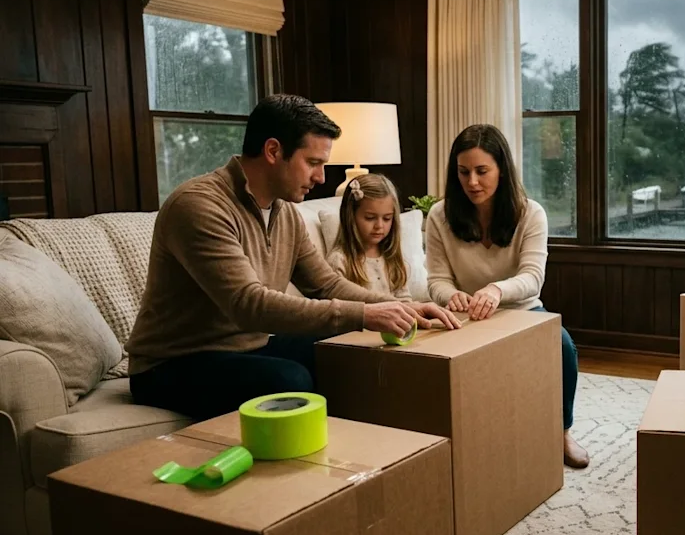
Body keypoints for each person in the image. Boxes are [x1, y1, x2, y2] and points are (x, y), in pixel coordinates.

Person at [126, 94, 460, 421]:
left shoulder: (284, 212)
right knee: (290, 381)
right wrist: (364, 314)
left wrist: (398, 307)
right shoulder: (199, 206)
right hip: (171, 364)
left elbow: (325, 284)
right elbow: (248, 304)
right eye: (313, 163)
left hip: (247, 347)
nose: (321, 177)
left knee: (349, 350)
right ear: (273, 151)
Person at [425, 123, 589, 469]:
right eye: (463, 172)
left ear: (502, 169)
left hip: (521, 310)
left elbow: (533, 278)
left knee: (562, 345)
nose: (472, 182)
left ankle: (562, 432)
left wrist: (497, 290)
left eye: (482, 171)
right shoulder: (439, 215)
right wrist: (452, 296)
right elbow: (437, 280)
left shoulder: (531, 213)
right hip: (465, 315)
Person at [326, 174, 412, 301]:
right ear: (350, 217)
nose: (379, 226)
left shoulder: (392, 259)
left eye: (387, 218)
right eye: (370, 218)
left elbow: (405, 301)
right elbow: (339, 308)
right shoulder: (339, 261)